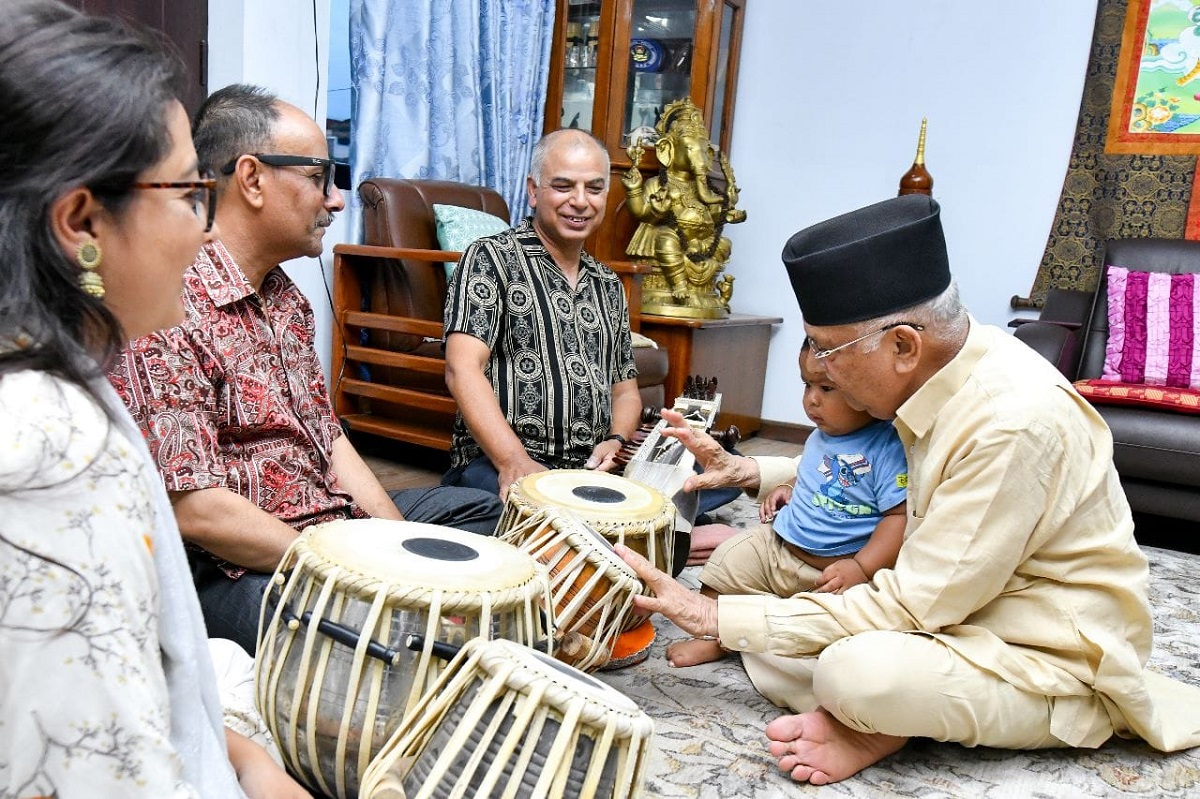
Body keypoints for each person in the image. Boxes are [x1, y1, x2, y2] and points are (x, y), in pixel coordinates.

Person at [617, 194, 1200, 786]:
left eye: (828, 350)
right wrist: (754, 473)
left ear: (902, 345)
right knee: (793, 620)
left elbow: (912, 605)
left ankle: (958, 715)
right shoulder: (943, 366)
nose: (822, 372)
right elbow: (889, 477)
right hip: (961, 589)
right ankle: (880, 706)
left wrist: (712, 615)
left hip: (1033, 638)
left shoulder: (1010, 421)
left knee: (855, 674)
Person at [0, 2, 307, 796]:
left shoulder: (55, 381)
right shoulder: (54, 448)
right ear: (80, 221)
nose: (207, 231)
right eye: (185, 193)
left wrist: (238, 753)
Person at [108, 84, 503, 655]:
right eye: (320, 177)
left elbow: (328, 437)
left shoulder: (286, 298)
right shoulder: (168, 302)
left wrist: (394, 548)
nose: (337, 200)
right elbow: (194, 509)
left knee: (487, 515)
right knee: (365, 639)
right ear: (252, 179)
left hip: (325, 524)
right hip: (233, 566)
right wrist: (357, 572)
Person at [666, 341, 906, 668]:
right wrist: (786, 487)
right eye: (807, 385)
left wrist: (862, 568)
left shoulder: (888, 447)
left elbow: (898, 516)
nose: (812, 399)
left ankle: (763, 622)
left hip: (834, 568)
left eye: (826, 387)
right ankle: (714, 638)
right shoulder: (821, 435)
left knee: (837, 638)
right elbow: (810, 473)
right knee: (729, 560)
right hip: (780, 544)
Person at [441, 128, 643, 500]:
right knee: (539, 511)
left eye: (594, 189)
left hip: (589, 468)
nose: (580, 202)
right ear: (534, 191)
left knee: (707, 473)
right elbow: (461, 369)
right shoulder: (491, 258)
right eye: (564, 186)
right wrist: (512, 461)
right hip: (500, 461)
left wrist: (615, 441)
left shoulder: (608, 282)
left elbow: (626, 392)